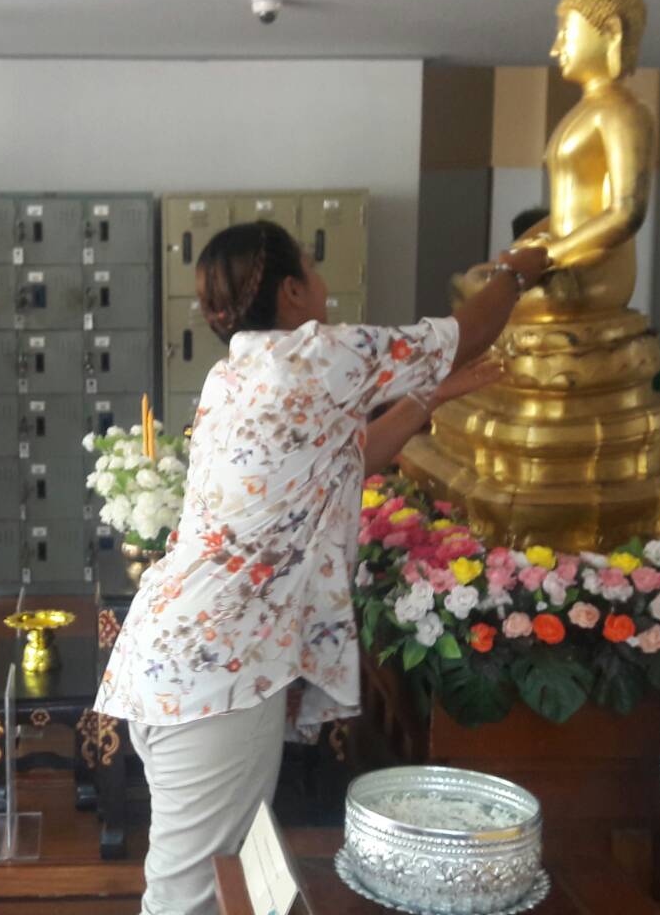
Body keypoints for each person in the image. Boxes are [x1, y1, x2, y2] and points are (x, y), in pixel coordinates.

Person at [93, 220, 550, 914]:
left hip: (178, 660)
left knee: (214, 883)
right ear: (291, 290)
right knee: (190, 900)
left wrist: (427, 400)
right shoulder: (318, 353)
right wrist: (517, 270)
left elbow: (346, 461)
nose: (323, 284)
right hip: (218, 678)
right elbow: (468, 331)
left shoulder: (234, 375)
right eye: (312, 267)